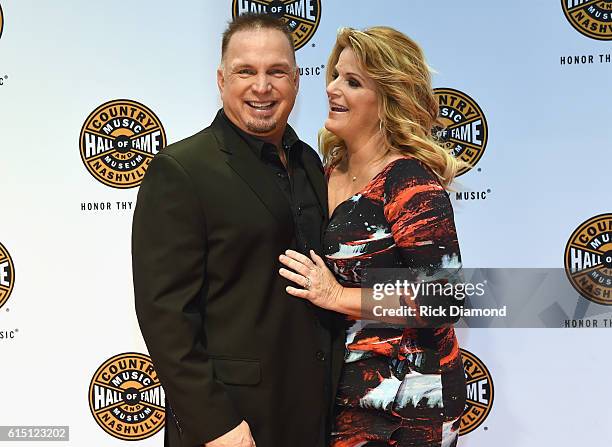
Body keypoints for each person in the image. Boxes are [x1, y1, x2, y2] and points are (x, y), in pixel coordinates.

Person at [132, 14, 344, 447]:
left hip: (315, 416)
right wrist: (215, 424)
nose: (262, 87)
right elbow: (166, 316)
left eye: (276, 72)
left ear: (297, 81)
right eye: (246, 71)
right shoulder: (182, 170)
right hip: (233, 424)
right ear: (221, 79)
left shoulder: (308, 162)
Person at [278, 27, 467, 447]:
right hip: (343, 391)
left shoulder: (409, 182)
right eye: (335, 75)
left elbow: (445, 298)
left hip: (408, 399)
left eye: (352, 81)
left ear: (387, 100)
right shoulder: (326, 172)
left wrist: (336, 296)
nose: (331, 88)